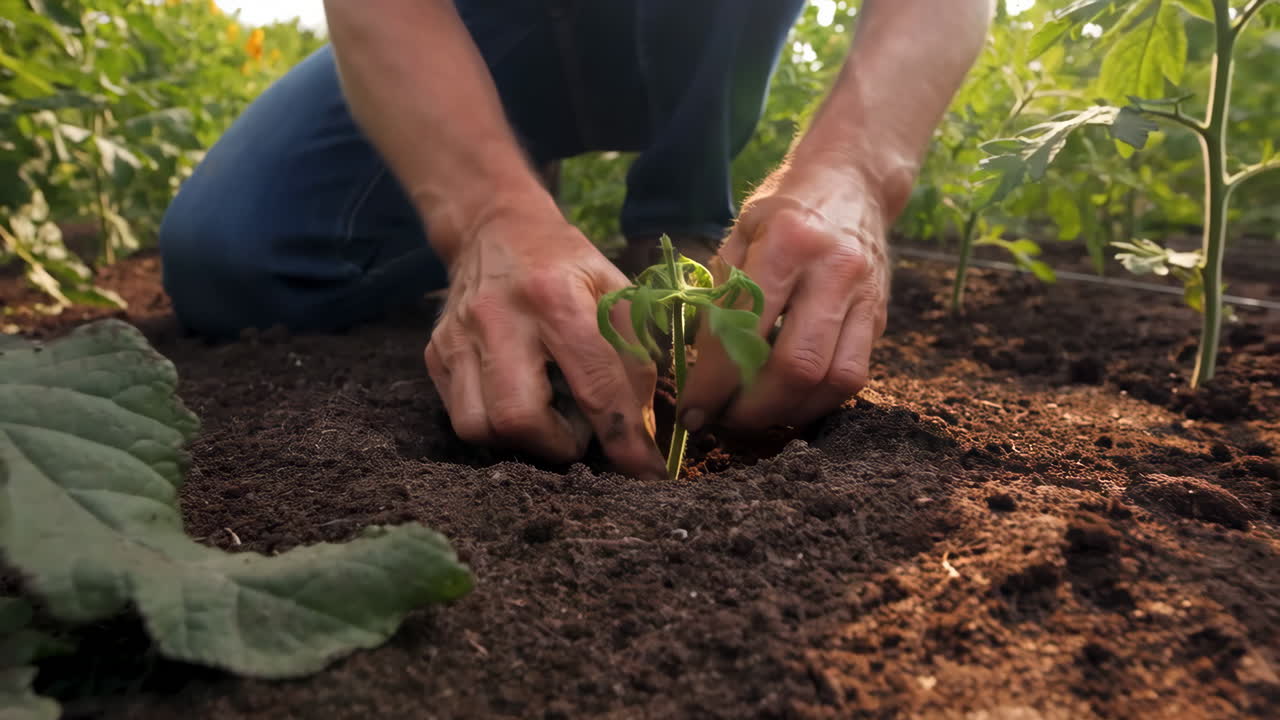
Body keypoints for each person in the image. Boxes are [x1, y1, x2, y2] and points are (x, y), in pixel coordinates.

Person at [158, 0, 994, 482]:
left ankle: (680, 226)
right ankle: (521, 208)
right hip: (479, 24)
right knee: (231, 256)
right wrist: (483, 209)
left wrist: (856, 167)